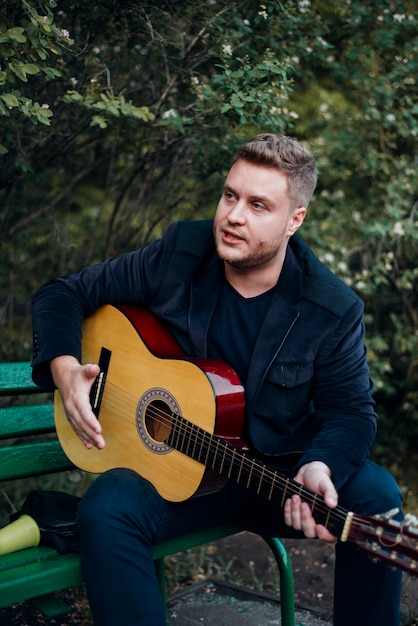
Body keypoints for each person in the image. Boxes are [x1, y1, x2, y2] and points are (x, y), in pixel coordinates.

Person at [31, 134, 403, 626]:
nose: (233, 216)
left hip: (272, 479)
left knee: (376, 498)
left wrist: (320, 465)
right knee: (107, 506)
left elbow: (352, 412)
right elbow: (62, 293)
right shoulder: (180, 254)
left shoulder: (330, 309)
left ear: (295, 220)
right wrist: (63, 368)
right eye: (230, 196)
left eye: (258, 205)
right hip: (177, 477)